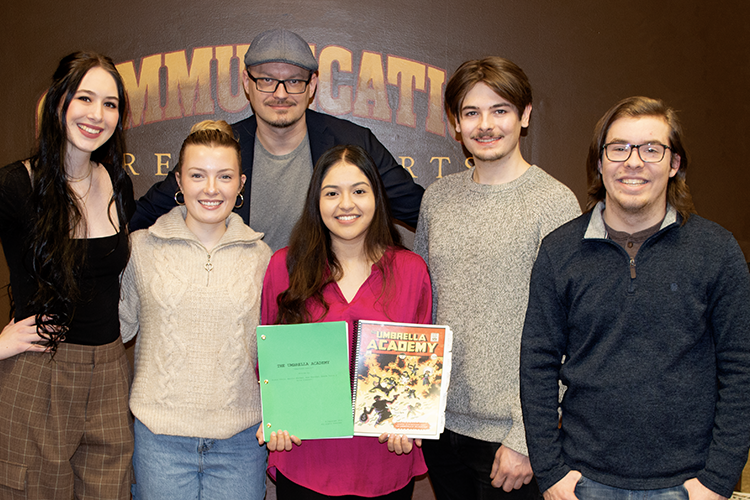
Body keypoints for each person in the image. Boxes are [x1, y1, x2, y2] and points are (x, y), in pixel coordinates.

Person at [519, 96, 750, 500]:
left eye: (652, 149)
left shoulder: (716, 250)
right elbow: (537, 363)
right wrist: (551, 471)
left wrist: (718, 478)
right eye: (619, 148)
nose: (634, 162)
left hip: (689, 485)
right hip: (582, 481)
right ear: (600, 162)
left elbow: (741, 367)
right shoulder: (560, 250)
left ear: (674, 164)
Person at [414, 57, 580, 499]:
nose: (485, 125)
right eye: (471, 113)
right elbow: (424, 305)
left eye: (500, 110)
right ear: (455, 123)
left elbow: (571, 329)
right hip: (438, 424)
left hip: (511, 438)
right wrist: (410, 409)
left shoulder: (554, 204)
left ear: (525, 116)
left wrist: (527, 438)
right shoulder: (438, 198)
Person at [130, 28, 424, 251]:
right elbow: (142, 216)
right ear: (247, 83)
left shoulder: (352, 142)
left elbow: (423, 212)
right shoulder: (221, 147)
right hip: (242, 307)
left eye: (294, 81)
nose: (280, 94)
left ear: (312, 86)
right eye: (267, 80)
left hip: (322, 310)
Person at [258, 144, 431, 498]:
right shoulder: (284, 267)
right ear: (316, 202)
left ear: (376, 198)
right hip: (306, 456)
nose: (346, 204)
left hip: (383, 460)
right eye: (332, 193)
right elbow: (269, 362)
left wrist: (410, 421)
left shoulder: (411, 270)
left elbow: (420, 371)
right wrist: (279, 413)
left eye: (359, 191)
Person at [0, 51, 134, 499]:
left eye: (110, 104)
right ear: (58, 102)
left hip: (112, 374)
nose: (98, 115)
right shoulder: (16, 186)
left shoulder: (118, 182)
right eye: (85, 98)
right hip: (40, 373)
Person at [119, 120, 272, 500]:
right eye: (197, 175)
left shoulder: (263, 257)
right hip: (159, 441)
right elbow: (114, 329)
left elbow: (277, 351)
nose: (210, 188)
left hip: (240, 443)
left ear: (240, 183)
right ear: (179, 181)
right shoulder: (140, 248)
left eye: (224, 176)